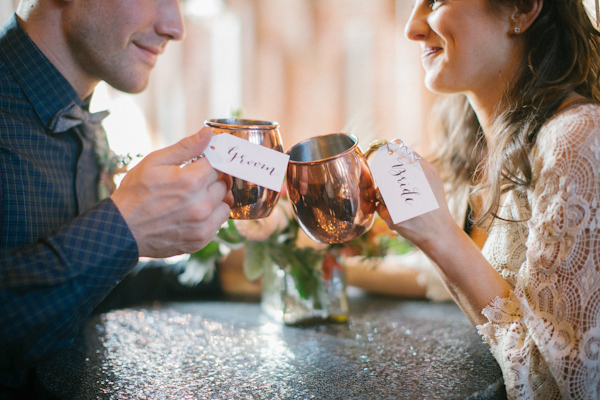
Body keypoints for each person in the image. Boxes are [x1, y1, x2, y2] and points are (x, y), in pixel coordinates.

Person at [0, 0, 233, 396]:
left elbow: (76, 303)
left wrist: (219, 275)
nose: (175, 27)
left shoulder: (81, 122)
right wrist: (124, 227)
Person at [377, 0, 600, 397]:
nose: (412, 28)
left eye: (436, 1)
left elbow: (565, 387)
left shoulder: (577, 138)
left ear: (523, 9)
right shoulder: (470, 135)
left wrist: (439, 235)